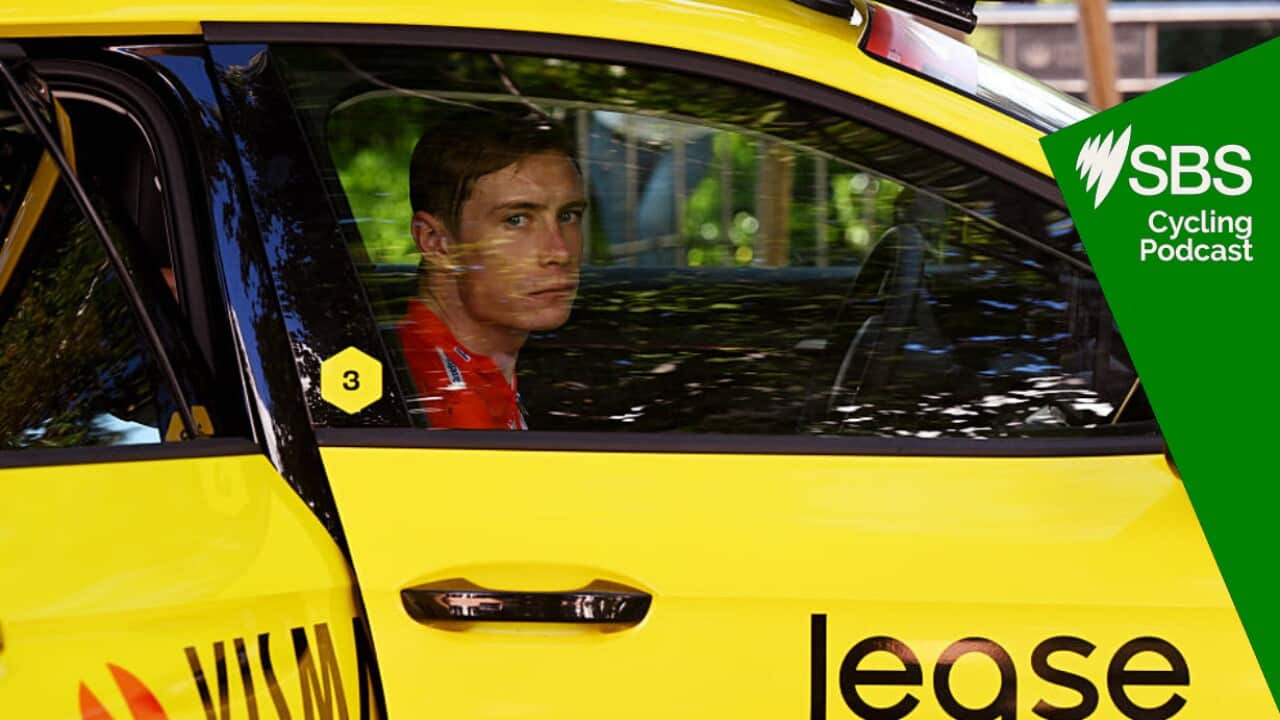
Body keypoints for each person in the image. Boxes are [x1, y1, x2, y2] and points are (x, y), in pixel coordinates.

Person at [399, 110, 586, 429]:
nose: (560, 251)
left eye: (568, 216)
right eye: (516, 220)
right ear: (436, 242)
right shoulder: (441, 403)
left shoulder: (466, 365)